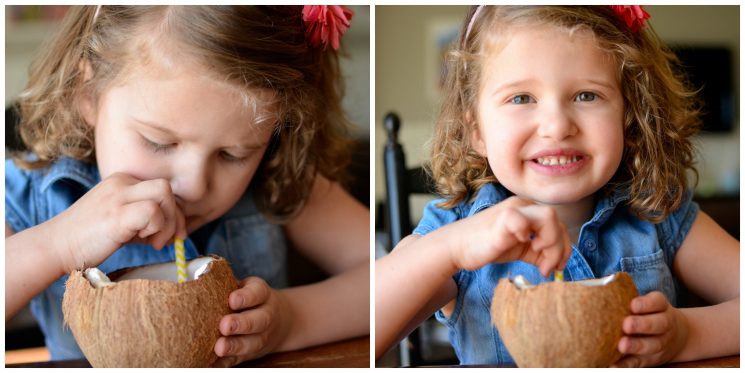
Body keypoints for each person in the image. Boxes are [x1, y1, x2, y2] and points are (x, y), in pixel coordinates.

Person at [376, 5, 738, 367]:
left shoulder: (658, 214)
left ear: (630, 115)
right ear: (477, 131)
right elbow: (370, 330)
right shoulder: (454, 231)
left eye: (586, 95)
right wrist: (451, 250)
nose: (557, 126)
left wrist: (689, 334)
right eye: (521, 98)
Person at [6, 5, 369, 367]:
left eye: (232, 154)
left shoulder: (278, 178)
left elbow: (386, 275)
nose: (193, 186)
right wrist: (57, 243)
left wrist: (292, 320)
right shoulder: (30, 195)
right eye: (159, 142)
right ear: (88, 92)